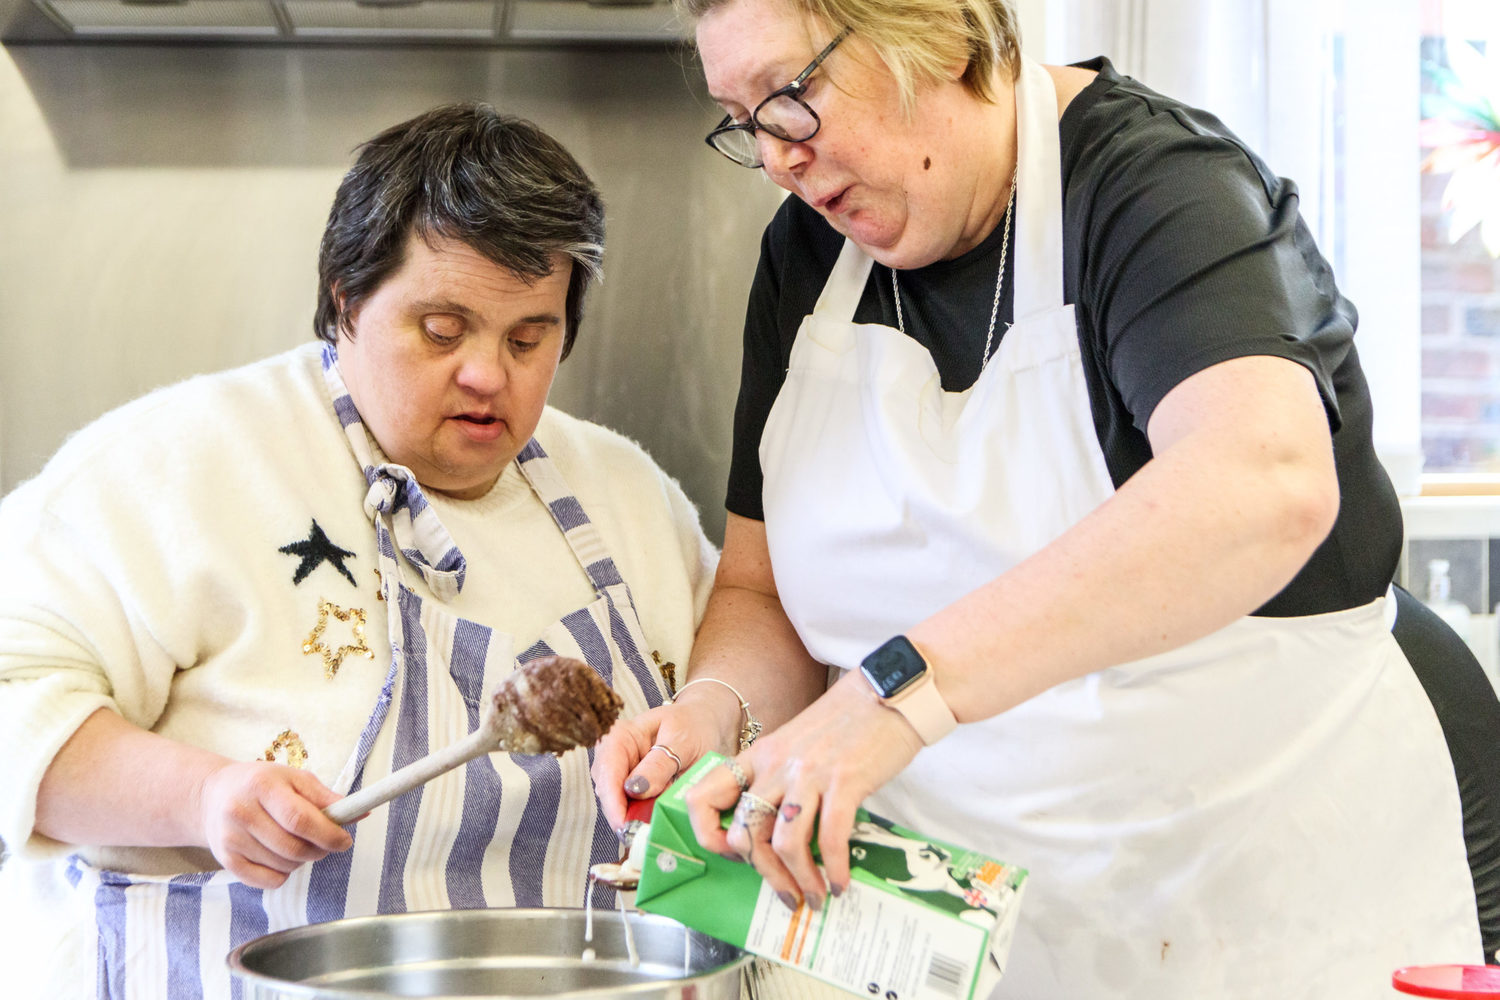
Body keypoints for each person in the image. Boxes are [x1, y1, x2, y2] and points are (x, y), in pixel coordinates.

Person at [590, 0, 1500, 996]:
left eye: (789, 97)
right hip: (975, 940)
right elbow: (763, 591)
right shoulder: (808, 259)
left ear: (930, 32)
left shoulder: (1157, 189)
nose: (777, 159)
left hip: (1255, 908)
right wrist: (717, 709)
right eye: (742, 118)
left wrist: (896, 690)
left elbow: (1263, 482)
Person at [0, 102, 716, 998]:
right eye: (443, 331)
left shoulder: (627, 496)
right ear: (346, 301)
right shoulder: (178, 464)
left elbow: (739, 709)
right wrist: (202, 797)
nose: (489, 374)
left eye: (529, 338)